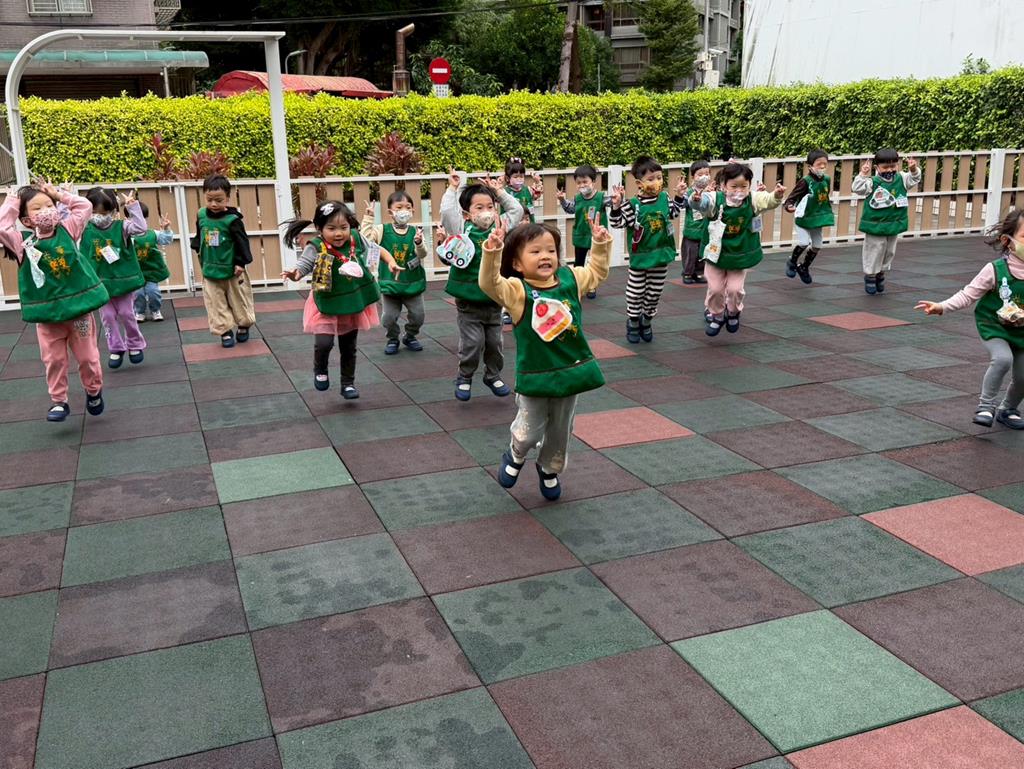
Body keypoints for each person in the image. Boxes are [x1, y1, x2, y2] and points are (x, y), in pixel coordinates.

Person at [479, 219, 611, 500]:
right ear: (517, 263)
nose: (545, 256)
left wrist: (599, 243)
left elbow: (597, 272)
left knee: (561, 428)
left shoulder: (570, 279)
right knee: (530, 428)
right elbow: (490, 284)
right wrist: (492, 251)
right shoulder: (518, 291)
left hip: (570, 371)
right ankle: (516, 453)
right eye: (535, 251)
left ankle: (549, 468)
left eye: (551, 250)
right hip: (536, 373)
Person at [0, 182, 108, 421]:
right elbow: (1, 226)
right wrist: (12, 203)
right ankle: (59, 401)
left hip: (79, 313)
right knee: (54, 360)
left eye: (49, 205)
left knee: (88, 358)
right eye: (37, 208)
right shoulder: (23, 244)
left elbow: (85, 206)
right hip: (49, 318)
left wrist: (58, 194)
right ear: (26, 220)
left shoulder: (68, 230)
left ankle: (93, 390)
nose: (46, 211)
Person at [915, 209, 1024, 429]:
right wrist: (942, 306)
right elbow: (968, 295)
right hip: (994, 326)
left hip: (1022, 330)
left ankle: (1008, 409)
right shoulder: (995, 270)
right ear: (1008, 241)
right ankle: (986, 406)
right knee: (1002, 359)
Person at [281, 200, 401, 400]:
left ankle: (348, 383)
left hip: (351, 301)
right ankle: (320, 368)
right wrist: (295, 274)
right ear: (319, 228)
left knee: (348, 346)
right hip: (326, 301)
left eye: (343, 227)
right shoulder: (316, 246)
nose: (338, 233)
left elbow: (375, 249)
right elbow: (304, 265)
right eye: (331, 228)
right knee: (324, 343)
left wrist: (391, 261)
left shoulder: (355, 238)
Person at [439, 168, 525, 401]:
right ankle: (465, 376)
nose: (486, 212)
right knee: (473, 342)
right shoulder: (461, 229)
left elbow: (517, 210)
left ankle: (492, 374)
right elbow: (447, 211)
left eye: (490, 206)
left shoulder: (500, 227)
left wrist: (500, 192)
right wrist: (452, 188)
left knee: (495, 343)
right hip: (468, 299)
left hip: (494, 299)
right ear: (467, 214)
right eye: (479, 208)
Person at [692, 161, 786, 336]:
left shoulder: (752, 199)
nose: (739, 190)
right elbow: (703, 204)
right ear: (723, 186)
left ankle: (733, 312)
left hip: (739, 253)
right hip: (716, 253)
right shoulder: (715, 198)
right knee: (715, 289)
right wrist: (696, 199)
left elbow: (767, 201)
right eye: (734, 186)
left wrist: (776, 195)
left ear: (749, 186)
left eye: (744, 186)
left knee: (735, 289)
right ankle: (717, 315)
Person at [610, 155, 688, 343]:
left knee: (654, 292)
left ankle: (647, 320)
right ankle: (633, 320)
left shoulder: (664, 198)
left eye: (659, 177)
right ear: (639, 183)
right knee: (636, 291)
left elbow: (674, 213)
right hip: (640, 256)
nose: (657, 182)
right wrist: (616, 206)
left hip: (661, 254)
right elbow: (617, 223)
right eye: (651, 179)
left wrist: (679, 196)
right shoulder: (633, 205)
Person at [82, 187, 148, 368]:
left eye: (104, 213)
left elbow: (141, 228)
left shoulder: (121, 227)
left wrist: (133, 207)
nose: (99, 217)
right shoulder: (85, 228)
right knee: (108, 317)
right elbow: (66, 225)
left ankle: (134, 344)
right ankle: (116, 347)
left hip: (122, 282)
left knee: (127, 313)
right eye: (95, 213)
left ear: (113, 210)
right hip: (101, 283)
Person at [189, 175, 256, 347]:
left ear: (227, 198)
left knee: (238, 299)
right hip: (210, 268)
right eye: (209, 199)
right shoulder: (201, 215)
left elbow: (242, 242)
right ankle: (224, 330)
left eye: (218, 200)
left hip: (232, 269)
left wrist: (240, 262)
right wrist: (197, 245)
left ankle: (243, 324)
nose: (213, 204)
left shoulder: (232, 221)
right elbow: (200, 232)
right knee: (215, 302)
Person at [360, 190, 428, 355]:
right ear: (391, 212)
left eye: (408, 207)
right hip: (390, 283)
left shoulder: (416, 232)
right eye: (399, 207)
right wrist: (368, 218)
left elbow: (422, 254)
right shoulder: (382, 230)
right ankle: (393, 338)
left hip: (413, 283)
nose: (404, 211)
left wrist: (419, 243)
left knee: (418, 316)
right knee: (388, 317)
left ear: (412, 211)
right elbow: (366, 240)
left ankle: (410, 335)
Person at [853, 149, 921, 294]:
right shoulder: (872, 182)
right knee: (874, 249)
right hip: (875, 224)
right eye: (885, 167)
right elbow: (857, 188)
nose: (890, 170)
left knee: (889, 251)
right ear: (877, 167)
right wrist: (863, 174)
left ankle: (881, 272)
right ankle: (870, 275)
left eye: (893, 166)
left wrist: (913, 169)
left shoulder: (902, 178)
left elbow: (915, 179)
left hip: (893, 222)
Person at [557, 163, 609, 299]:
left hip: (596, 236)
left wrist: (618, 200)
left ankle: (592, 286)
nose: (582, 185)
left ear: (593, 181)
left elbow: (615, 204)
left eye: (585, 182)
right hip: (580, 235)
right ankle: (578, 285)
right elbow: (570, 209)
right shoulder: (577, 198)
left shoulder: (601, 198)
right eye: (579, 183)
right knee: (579, 262)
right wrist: (562, 200)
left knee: (594, 261)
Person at [783, 150, 835, 284]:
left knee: (817, 245)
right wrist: (789, 206)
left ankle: (804, 267)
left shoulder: (827, 179)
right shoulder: (805, 181)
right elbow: (792, 197)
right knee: (803, 242)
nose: (822, 167)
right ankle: (792, 261)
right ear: (810, 166)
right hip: (804, 218)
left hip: (817, 218)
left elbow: (824, 195)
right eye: (819, 164)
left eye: (825, 164)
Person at [132, 202, 174, 322]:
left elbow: (166, 239)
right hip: (136, 272)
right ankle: (139, 312)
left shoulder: (152, 234)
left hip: (151, 271)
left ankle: (155, 310)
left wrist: (166, 228)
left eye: (143, 218)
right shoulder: (127, 236)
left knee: (153, 292)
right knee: (138, 294)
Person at [680, 160, 712, 285]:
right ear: (693, 176)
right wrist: (681, 195)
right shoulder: (689, 192)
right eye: (700, 174)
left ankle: (699, 272)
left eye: (707, 174)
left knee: (702, 252)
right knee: (690, 252)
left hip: (705, 229)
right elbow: (682, 205)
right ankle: (687, 272)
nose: (704, 177)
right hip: (692, 229)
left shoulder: (711, 191)